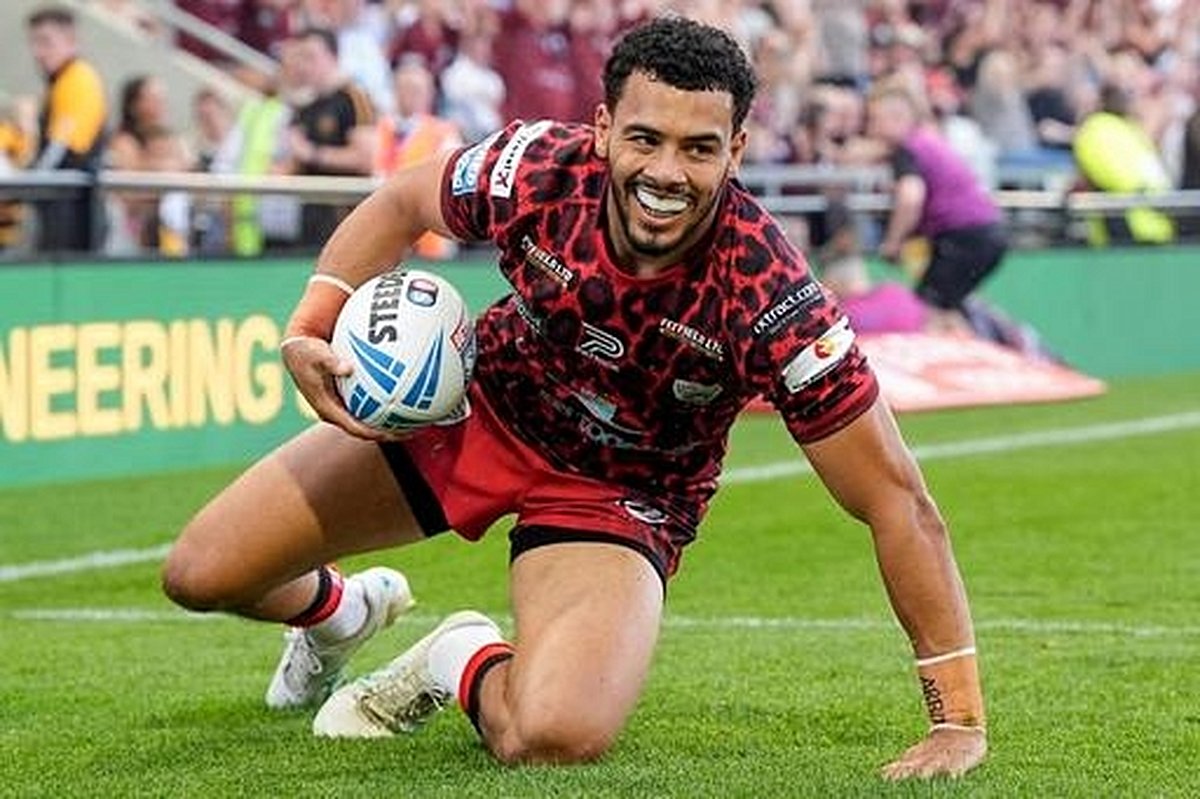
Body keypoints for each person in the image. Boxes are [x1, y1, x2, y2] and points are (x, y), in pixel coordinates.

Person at [162, 17, 987, 780]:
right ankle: (340, 615)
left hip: (621, 493)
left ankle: (457, 654)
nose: (667, 173)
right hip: (479, 411)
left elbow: (895, 499)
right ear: (601, 129)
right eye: (645, 138)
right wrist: (311, 322)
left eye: (699, 148)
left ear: (736, 150)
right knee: (200, 573)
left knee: (552, 733)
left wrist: (957, 720)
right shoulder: (538, 170)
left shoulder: (771, 295)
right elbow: (406, 200)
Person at [868, 81, 1008, 329]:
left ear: (897, 117)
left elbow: (910, 198)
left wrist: (893, 242)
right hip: (986, 232)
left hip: (964, 236)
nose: (871, 129)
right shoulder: (926, 140)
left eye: (875, 120)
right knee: (948, 305)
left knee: (930, 307)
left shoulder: (908, 149)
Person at [280, 26, 377, 249]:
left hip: (344, 217)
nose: (304, 65)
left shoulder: (353, 98)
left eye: (311, 56)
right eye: (301, 57)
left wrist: (313, 154)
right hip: (309, 215)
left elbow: (366, 158)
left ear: (333, 57)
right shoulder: (305, 105)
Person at [25, 4, 108, 254]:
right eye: (34, 43)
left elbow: (61, 151)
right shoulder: (60, 82)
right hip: (62, 206)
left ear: (71, 41)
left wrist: (25, 181)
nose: (38, 52)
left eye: (46, 42)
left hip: (73, 213)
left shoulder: (78, 79)